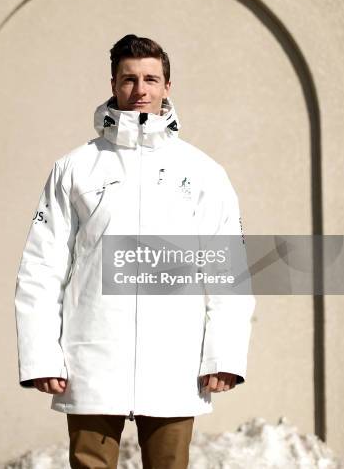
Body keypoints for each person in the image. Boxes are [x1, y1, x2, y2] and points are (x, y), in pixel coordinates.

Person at [14, 34, 256, 469]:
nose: (140, 89)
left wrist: (224, 355)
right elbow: (41, 266)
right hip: (91, 352)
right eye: (129, 79)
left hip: (175, 357)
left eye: (151, 78)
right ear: (113, 84)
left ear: (167, 86)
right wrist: (41, 354)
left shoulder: (203, 172)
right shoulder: (75, 168)